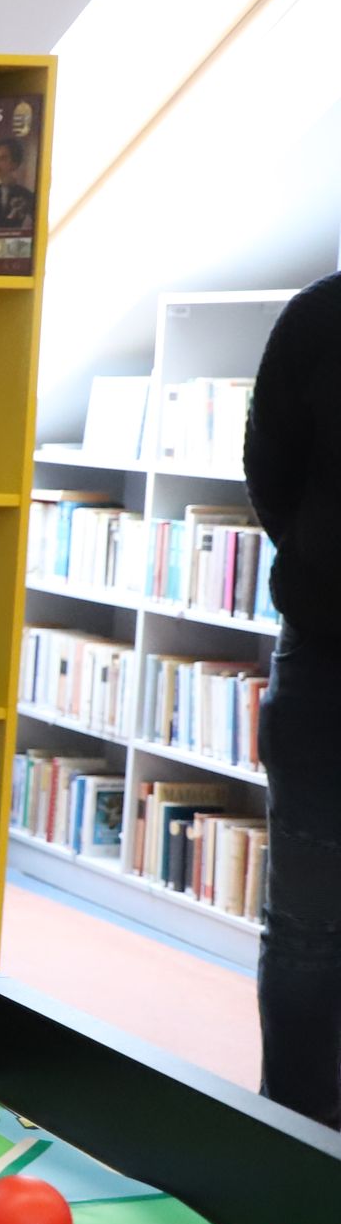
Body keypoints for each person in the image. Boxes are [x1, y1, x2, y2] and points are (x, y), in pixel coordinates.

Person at [246, 269, 341, 1127]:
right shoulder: (323, 317)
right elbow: (270, 473)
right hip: (327, 660)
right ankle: (301, 1147)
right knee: (310, 931)